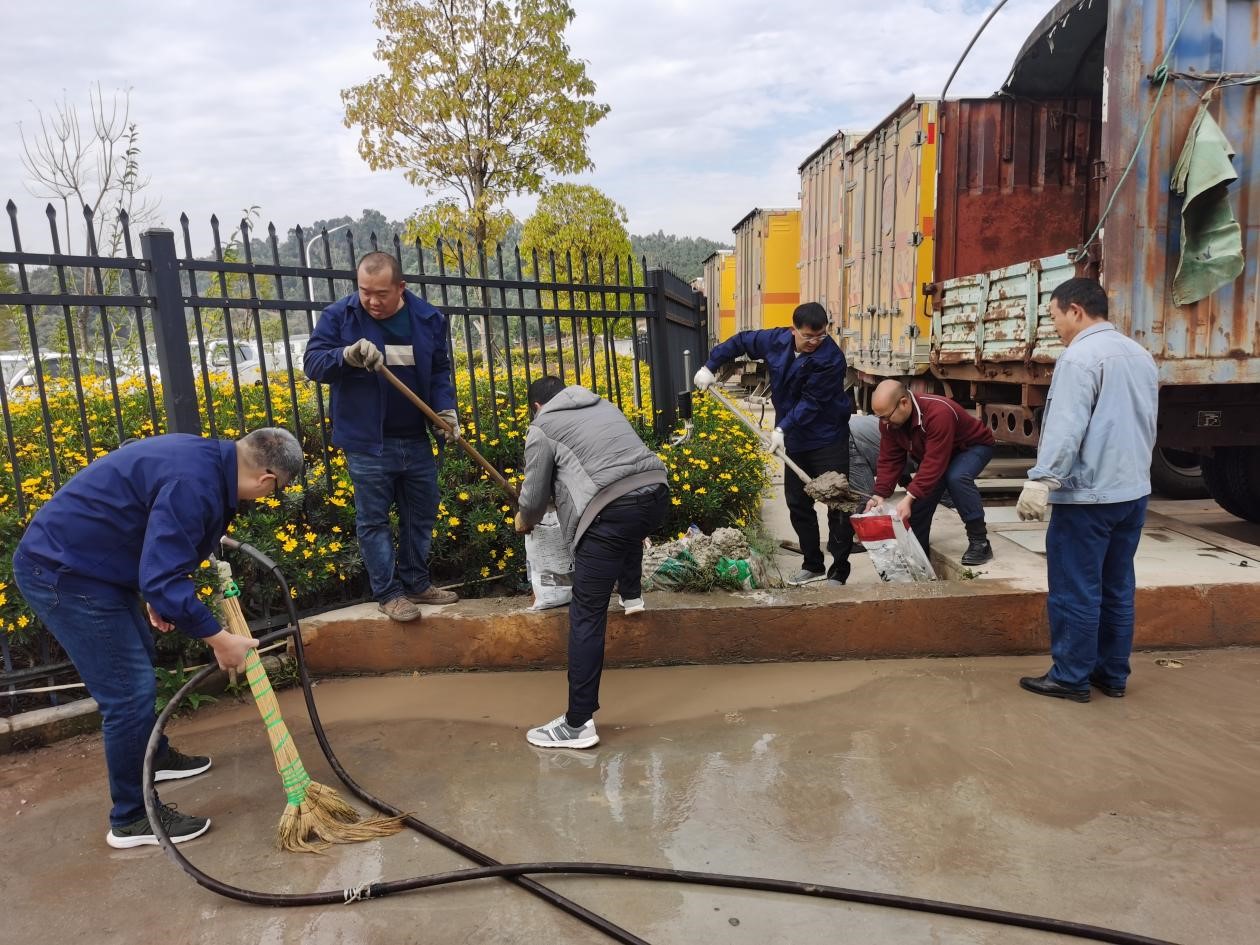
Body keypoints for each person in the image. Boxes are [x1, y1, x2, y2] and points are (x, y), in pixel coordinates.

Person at [11, 428, 305, 848]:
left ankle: (153, 756)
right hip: (64, 574)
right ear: (266, 479)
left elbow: (153, 537)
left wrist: (157, 590)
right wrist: (219, 639)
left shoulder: (207, 461)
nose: (268, 496)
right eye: (276, 490)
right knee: (128, 694)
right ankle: (132, 818)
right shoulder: (196, 485)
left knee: (138, 658)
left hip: (91, 566)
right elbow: (163, 573)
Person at [1016, 278, 1158, 702]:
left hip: (1088, 497)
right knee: (1116, 587)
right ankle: (1111, 674)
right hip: (1132, 493)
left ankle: (1070, 677)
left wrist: (1043, 479)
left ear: (1075, 310)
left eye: (1054, 317)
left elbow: (1066, 427)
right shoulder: (1139, 354)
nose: (1055, 327)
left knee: (1076, 588)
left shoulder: (1079, 358)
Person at [304, 251, 460, 623]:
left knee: (421, 513)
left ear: (400, 287)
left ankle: (416, 583)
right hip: (367, 443)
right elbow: (313, 363)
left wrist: (445, 409)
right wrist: (346, 355)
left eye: (381, 293)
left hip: (416, 437)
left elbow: (439, 370)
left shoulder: (427, 319)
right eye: (365, 291)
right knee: (374, 520)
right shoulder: (340, 316)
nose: (371, 301)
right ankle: (389, 594)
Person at [514, 377, 669, 749]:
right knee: (627, 525)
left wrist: (524, 519)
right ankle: (632, 596)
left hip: (612, 510)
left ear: (536, 406)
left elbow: (533, 500)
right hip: (656, 491)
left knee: (586, 613)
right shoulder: (603, 405)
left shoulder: (542, 426)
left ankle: (577, 723)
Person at [694, 302, 856, 586]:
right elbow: (742, 341)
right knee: (798, 503)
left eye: (821, 335)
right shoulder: (776, 340)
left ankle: (839, 571)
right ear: (794, 330)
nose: (815, 342)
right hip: (796, 438)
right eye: (808, 336)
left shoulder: (831, 359)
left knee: (837, 504)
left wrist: (782, 428)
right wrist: (711, 365)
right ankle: (813, 564)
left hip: (827, 436)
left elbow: (813, 402)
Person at [864, 381, 996, 565]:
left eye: (886, 416)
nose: (884, 422)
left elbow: (934, 462)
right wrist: (879, 494)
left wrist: (909, 496)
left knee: (956, 477)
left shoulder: (938, 413)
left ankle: (980, 542)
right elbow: (890, 459)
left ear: (904, 402)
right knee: (917, 504)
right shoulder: (889, 424)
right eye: (879, 417)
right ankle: (917, 558)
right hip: (939, 453)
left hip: (971, 447)